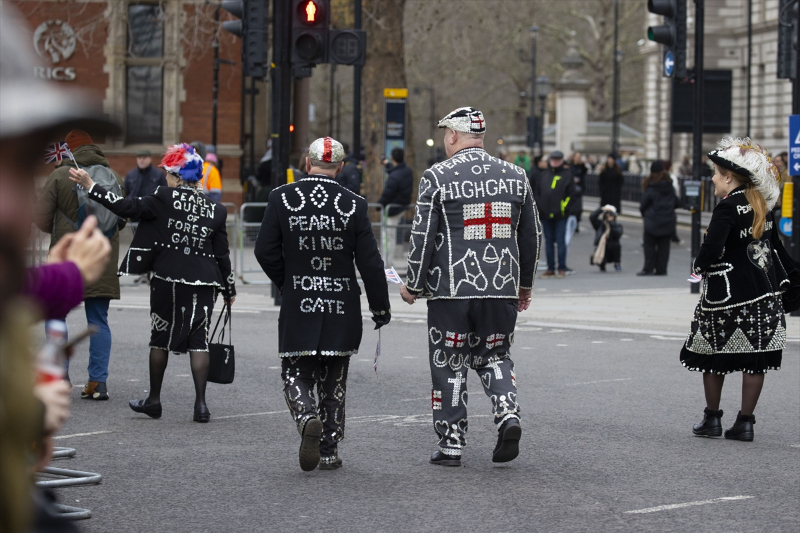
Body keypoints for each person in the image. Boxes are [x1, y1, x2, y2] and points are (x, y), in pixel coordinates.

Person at [0, 5, 115, 530]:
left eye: (20, 164)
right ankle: (95, 379)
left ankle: (77, 378)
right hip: (99, 265)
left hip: (77, 261)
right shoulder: (106, 176)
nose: (9, 205)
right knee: (97, 323)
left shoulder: (61, 181)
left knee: (65, 326)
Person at [400, 107, 541, 466]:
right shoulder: (516, 175)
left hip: (452, 290)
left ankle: (451, 444)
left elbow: (422, 236)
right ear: (480, 136)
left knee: (449, 363)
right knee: (495, 356)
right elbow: (531, 235)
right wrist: (524, 285)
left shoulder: (437, 176)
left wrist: (413, 284)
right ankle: (507, 413)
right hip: (501, 287)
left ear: (452, 136)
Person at [68, 143, 237, 423]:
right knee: (199, 342)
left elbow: (127, 207)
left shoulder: (163, 197)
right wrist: (229, 289)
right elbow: (222, 255)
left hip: (168, 279)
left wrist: (92, 186)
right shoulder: (216, 209)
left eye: (168, 173)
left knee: (160, 338)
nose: (165, 178)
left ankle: (154, 401)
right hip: (204, 283)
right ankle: (201, 406)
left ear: (178, 177)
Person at [254, 136, 391, 471]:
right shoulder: (354, 204)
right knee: (334, 380)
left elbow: (264, 250)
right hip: (341, 305)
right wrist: (380, 308)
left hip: (299, 301)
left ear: (307, 163)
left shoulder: (281, 197)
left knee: (294, 371)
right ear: (340, 168)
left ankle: (306, 416)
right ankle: (328, 451)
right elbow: (370, 263)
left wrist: (287, 282)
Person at [680, 137, 790, 442]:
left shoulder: (727, 207)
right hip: (763, 295)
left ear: (729, 178)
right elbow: (774, 248)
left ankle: (712, 419)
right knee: (755, 359)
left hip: (726, 297)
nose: (713, 179)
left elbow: (712, 248)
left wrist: (696, 269)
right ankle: (745, 423)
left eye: (716, 174)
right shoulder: (762, 204)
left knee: (713, 354)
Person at [35, 129, 126, 400]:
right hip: (101, 259)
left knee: (56, 316)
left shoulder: (60, 175)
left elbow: (41, 218)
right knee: (98, 320)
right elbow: (122, 218)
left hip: (67, 259)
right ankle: (98, 383)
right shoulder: (114, 177)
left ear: (69, 149)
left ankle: (61, 378)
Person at [533, 150, 577, 278]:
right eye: (553, 160)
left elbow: (571, 194)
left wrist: (564, 207)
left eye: (557, 160)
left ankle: (561, 267)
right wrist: (540, 206)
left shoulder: (567, 175)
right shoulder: (543, 175)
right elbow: (537, 192)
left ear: (561, 161)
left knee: (560, 241)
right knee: (549, 242)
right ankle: (550, 268)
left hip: (560, 215)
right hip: (545, 214)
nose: (555, 162)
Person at [638, 161, 679, 276]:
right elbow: (676, 202)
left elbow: (643, 205)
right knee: (664, 247)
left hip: (652, 221)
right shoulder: (670, 186)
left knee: (649, 245)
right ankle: (661, 269)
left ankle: (648, 268)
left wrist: (646, 215)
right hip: (667, 220)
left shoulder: (650, 187)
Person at [378, 147, 413, 264]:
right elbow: (397, 173)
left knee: (388, 236)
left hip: (393, 209)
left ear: (392, 157)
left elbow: (388, 192)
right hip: (402, 207)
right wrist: (388, 165)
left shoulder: (394, 176)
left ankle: (387, 261)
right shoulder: (407, 171)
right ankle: (389, 260)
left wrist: (379, 204)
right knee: (392, 234)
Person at [124, 149, 167, 216]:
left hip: (152, 211)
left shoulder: (158, 174)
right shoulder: (131, 174)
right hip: (134, 211)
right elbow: (125, 193)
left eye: (144, 158)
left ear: (150, 159)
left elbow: (164, 193)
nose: (141, 160)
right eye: (139, 158)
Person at [589, 205, 623, 272]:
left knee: (616, 245)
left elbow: (617, 234)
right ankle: (602, 265)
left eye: (610, 214)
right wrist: (601, 209)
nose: (608, 216)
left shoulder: (617, 225)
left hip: (613, 248)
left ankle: (617, 263)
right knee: (602, 248)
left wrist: (611, 222)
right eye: (606, 214)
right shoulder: (600, 224)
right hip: (603, 247)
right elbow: (592, 217)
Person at [568, 152, 588, 235]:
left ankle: (577, 223)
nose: (578, 158)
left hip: (579, 190)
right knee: (571, 208)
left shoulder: (581, 166)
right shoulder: (570, 166)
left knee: (578, 209)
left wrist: (582, 164)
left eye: (579, 157)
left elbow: (585, 172)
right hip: (571, 190)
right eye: (576, 156)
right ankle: (571, 224)